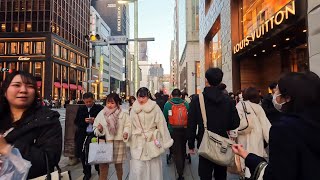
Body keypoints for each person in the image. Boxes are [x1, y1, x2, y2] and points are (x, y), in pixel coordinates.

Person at [232, 72, 320, 180]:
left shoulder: (284, 129)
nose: (274, 94)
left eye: (278, 90)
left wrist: (250, 158)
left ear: (288, 97)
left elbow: (277, 174)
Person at [0, 71, 62, 179]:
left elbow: (48, 161)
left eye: (29, 86)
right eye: (16, 85)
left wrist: (8, 149)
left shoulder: (48, 119)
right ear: (5, 91)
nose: (23, 90)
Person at [187, 68, 240, 180]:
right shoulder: (228, 100)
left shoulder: (197, 100)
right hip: (223, 143)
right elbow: (236, 123)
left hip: (204, 142)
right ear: (220, 80)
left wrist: (191, 145)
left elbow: (191, 124)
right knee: (221, 175)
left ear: (206, 80)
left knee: (205, 175)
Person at [123, 87, 173, 180]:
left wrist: (166, 140)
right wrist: (126, 132)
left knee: (153, 167)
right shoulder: (134, 108)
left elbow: (161, 124)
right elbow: (129, 124)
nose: (141, 99)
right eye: (139, 97)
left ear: (148, 96)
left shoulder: (155, 108)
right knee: (137, 169)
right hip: (137, 142)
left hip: (151, 140)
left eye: (143, 97)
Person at [235, 87, 271, 178]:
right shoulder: (258, 107)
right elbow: (266, 125)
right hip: (256, 136)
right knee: (255, 158)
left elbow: (235, 123)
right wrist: (271, 140)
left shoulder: (239, 105)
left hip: (243, 135)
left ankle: (244, 175)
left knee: (243, 156)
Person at [93, 93, 129, 180]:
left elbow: (128, 125)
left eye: (112, 103)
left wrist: (126, 132)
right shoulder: (101, 113)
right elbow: (95, 128)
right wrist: (100, 129)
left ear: (117, 103)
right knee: (103, 167)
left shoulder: (123, 113)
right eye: (108, 103)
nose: (109, 105)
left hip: (118, 142)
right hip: (105, 142)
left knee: (118, 166)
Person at [74, 92, 104, 180]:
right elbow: (76, 122)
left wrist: (95, 121)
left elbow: (104, 122)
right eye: (86, 102)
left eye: (90, 101)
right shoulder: (81, 109)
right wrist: (84, 121)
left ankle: (99, 170)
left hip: (95, 134)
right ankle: (87, 173)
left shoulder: (99, 108)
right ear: (83, 101)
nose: (88, 104)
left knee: (97, 154)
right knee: (83, 155)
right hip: (84, 134)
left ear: (93, 99)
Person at [163, 89, 189, 180]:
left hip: (172, 131)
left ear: (172, 95)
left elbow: (165, 118)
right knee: (182, 149)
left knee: (176, 151)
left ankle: (180, 174)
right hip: (184, 130)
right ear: (180, 95)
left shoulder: (167, 104)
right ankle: (183, 161)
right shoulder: (185, 104)